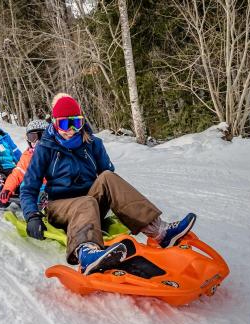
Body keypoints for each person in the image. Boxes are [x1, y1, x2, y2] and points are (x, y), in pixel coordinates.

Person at [19, 95, 197, 275]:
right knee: (85, 202)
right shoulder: (45, 148)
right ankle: (87, 252)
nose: (71, 130)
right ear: (55, 124)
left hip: (90, 203)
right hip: (59, 207)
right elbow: (28, 188)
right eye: (65, 124)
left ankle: (160, 232)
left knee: (108, 176)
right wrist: (32, 215)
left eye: (76, 123)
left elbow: (108, 180)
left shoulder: (93, 143)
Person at [0, 119, 48, 205]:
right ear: (28, 140)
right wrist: (7, 189)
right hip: (36, 190)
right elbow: (17, 174)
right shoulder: (27, 157)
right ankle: (36, 206)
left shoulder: (57, 153)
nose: (38, 142)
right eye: (33, 137)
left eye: (43, 137)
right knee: (25, 184)